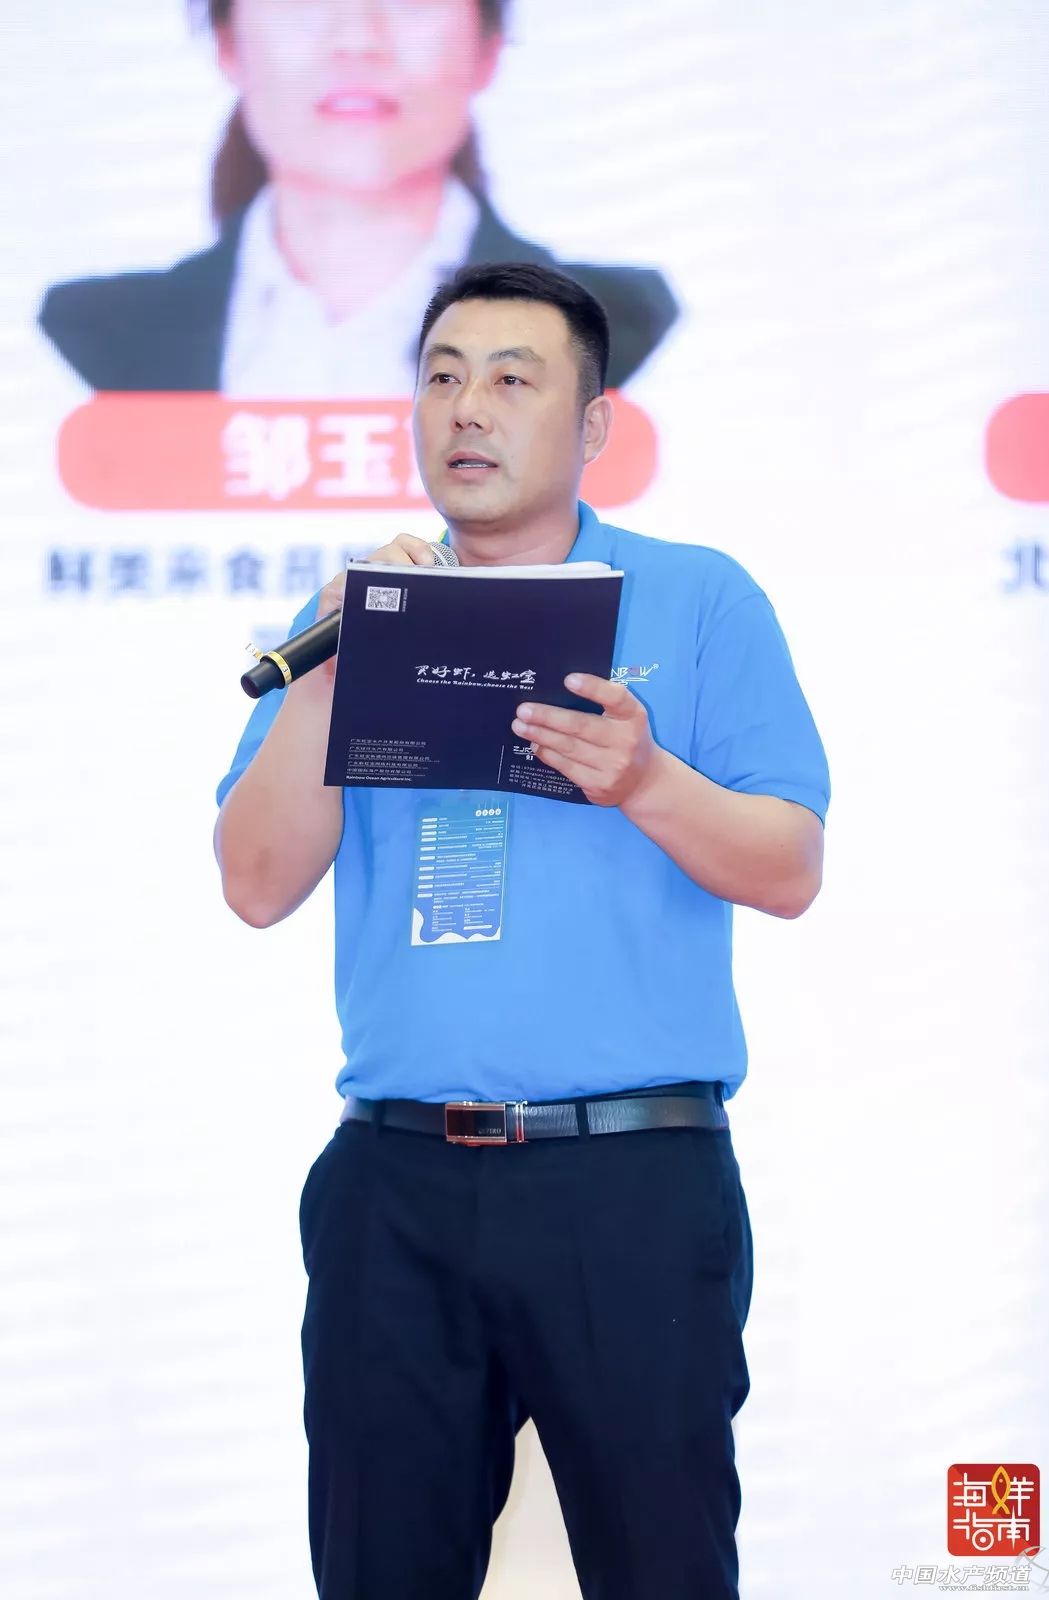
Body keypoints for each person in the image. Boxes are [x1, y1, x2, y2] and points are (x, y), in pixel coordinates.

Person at [213, 260, 830, 1600]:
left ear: (592, 422)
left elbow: (788, 867)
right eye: (439, 377)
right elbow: (254, 883)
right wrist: (326, 668)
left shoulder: (696, 597)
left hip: (628, 1183)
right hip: (393, 1185)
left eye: (509, 378)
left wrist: (643, 780)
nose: (466, 408)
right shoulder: (349, 620)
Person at [37, 0, 676, 395]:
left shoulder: (621, 322)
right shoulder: (96, 330)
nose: (357, 37)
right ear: (229, 43)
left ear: (487, 47)